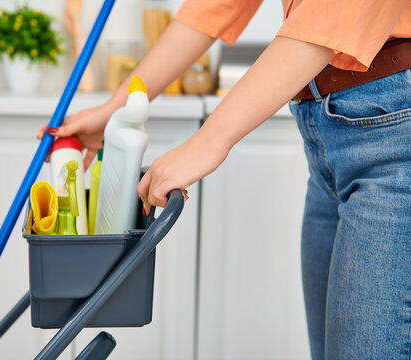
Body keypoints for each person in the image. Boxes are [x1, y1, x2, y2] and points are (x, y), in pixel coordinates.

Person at [38, 1, 411, 358]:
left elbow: (334, 12)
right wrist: (118, 110)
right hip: (327, 135)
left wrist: (210, 140)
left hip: (394, 135)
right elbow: (217, 4)